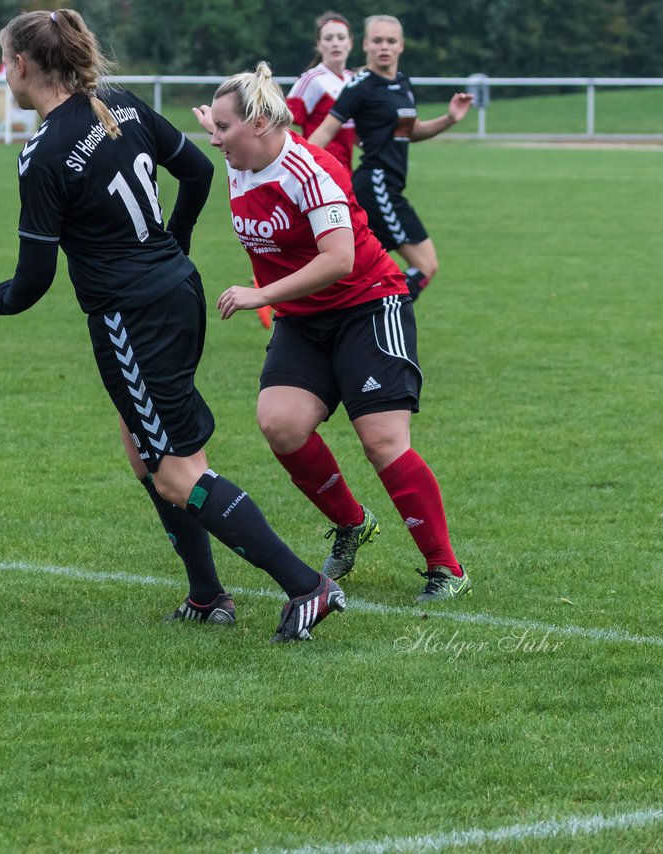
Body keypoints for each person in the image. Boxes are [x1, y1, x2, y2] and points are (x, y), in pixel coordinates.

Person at [0, 9, 346, 642]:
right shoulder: (119, 104)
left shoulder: (42, 154)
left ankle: (305, 585)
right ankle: (207, 596)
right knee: (143, 446)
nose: (2, 74)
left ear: (22, 66)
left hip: (133, 317)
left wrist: (0, 300)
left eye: (3, 61)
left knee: (178, 473)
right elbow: (200, 171)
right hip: (176, 291)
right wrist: (170, 246)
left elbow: (33, 279)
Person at [192, 63, 470, 603]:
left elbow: (340, 259)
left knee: (382, 441)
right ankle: (352, 522)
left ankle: (446, 567)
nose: (215, 138)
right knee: (281, 425)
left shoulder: (309, 170)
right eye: (215, 128)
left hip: (368, 304)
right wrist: (217, 119)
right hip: (304, 319)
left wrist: (261, 294)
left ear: (259, 123)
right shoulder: (243, 153)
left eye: (224, 128)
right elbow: (227, 132)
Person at [307, 15, 472, 302]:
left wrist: (450, 119)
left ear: (401, 46)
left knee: (352, 273)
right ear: (366, 45)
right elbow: (324, 133)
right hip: (377, 185)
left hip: (389, 186)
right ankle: (380, 312)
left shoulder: (403, 83)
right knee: (424, 265)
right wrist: (297, 170)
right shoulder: (360, 86)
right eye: (378, 41)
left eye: (391, 41)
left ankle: (336, 313)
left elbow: (410, 132)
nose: (384, 46)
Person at [285, 11, 358, 174]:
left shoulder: (354, 81)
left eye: (341, 37)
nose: (335, 43)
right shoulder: (312, 79)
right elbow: (284, 122)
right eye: (328, 38)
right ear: (319, 44)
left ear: (350, 43)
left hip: (346, 172)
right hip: (319, 171)